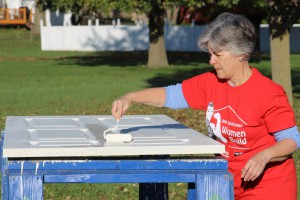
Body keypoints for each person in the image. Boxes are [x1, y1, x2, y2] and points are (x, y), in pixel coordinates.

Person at [111, 12, 300, 200]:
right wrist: (131, 97)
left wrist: (264, 156)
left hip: (268, 187)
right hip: (224, 181)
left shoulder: (268, 92)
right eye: (210, 54)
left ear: (241, 54)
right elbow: (170, 95)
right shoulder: (211, 83)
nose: (211, 61)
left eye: (217, 54)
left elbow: (291, 140)